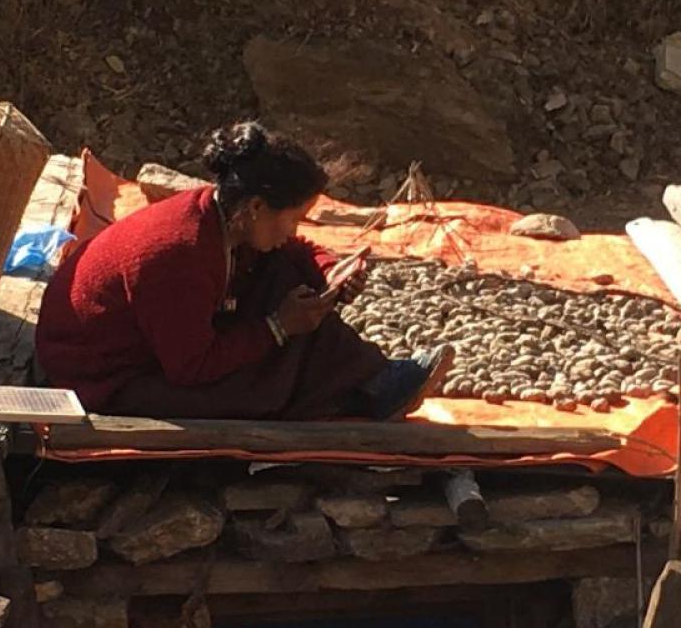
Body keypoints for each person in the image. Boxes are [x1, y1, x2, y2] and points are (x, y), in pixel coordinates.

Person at [35, 121, 453, 420]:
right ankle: (356, 392)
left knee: (287, 269)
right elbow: (191, 367)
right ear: (255, 207)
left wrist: (330, 268)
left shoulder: (222, 214)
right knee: (260, 388)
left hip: (161, 344)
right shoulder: (176, 254)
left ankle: (373, 379)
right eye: (292, 218)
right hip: (105, 376)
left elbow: (294, 247)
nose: (294, 229)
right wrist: (276, 327)